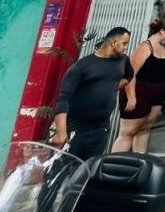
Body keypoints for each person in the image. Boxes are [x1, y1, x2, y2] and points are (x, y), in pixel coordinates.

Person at [51, 28, 133, 162]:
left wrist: (112, 87)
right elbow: (63, 99)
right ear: (113, 43)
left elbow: (129, 76)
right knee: (61, 170)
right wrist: (61, 132)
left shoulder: (123, 61)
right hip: (76, 131)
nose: (126, 47)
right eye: (124, 43)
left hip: (101, 130)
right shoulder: (82, 66)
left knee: (90, 168)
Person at [112, 19, 165, 153]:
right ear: (161, 31)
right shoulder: (145, 47)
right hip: (139, 93)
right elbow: (130, 73)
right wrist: (131, 97)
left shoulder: (161, 47)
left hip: (156, 96)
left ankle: (139, 161)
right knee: (128, 133)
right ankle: (113, 163)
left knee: (144, 130)